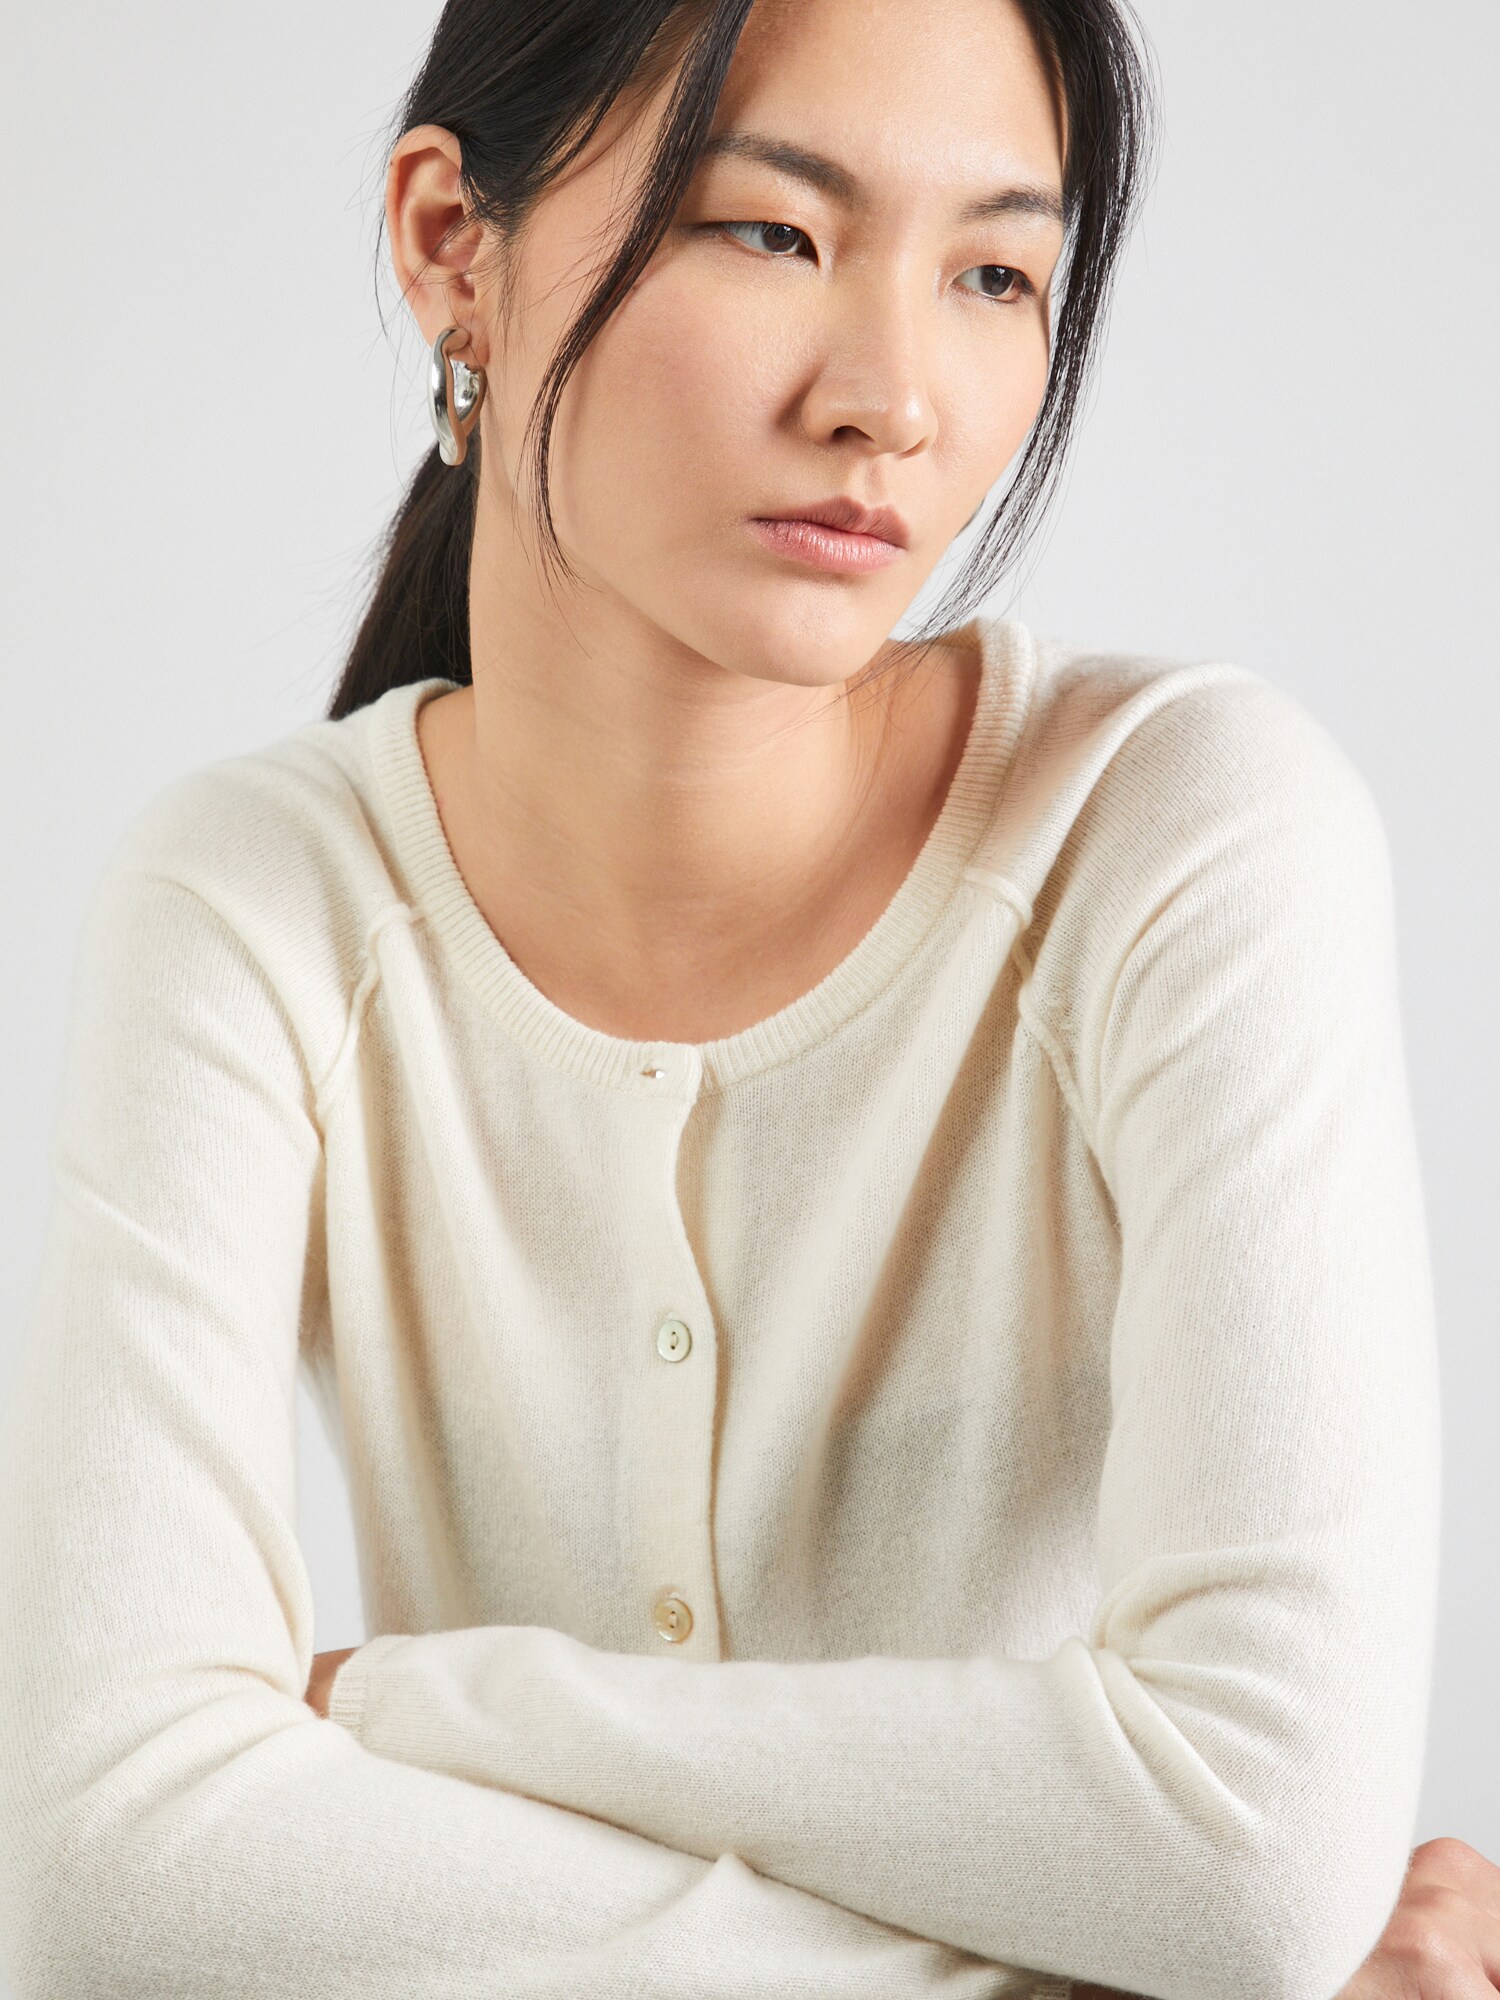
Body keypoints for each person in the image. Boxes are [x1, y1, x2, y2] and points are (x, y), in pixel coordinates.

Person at [1, 0, 1493, 1994]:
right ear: (452, 244)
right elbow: (115, 1888)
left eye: (994, 274)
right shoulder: (256, 907)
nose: (893, 398)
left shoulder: (1174, 837)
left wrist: (408, 1706)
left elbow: (1245, 1857)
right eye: (771, 230)